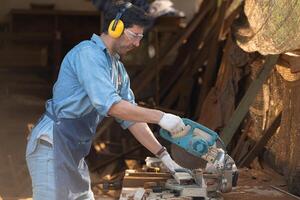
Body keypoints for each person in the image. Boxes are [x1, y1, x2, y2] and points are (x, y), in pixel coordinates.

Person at [26, 2, 186, 200]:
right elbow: (112, 106)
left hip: (73, 153)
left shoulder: (117, 69)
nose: (137, 44)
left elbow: (132, 118)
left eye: (141, 37)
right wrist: (160, 117)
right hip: (52, 148)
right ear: (115, 27)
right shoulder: (88, 54)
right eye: (135, 36)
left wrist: (164, 156)